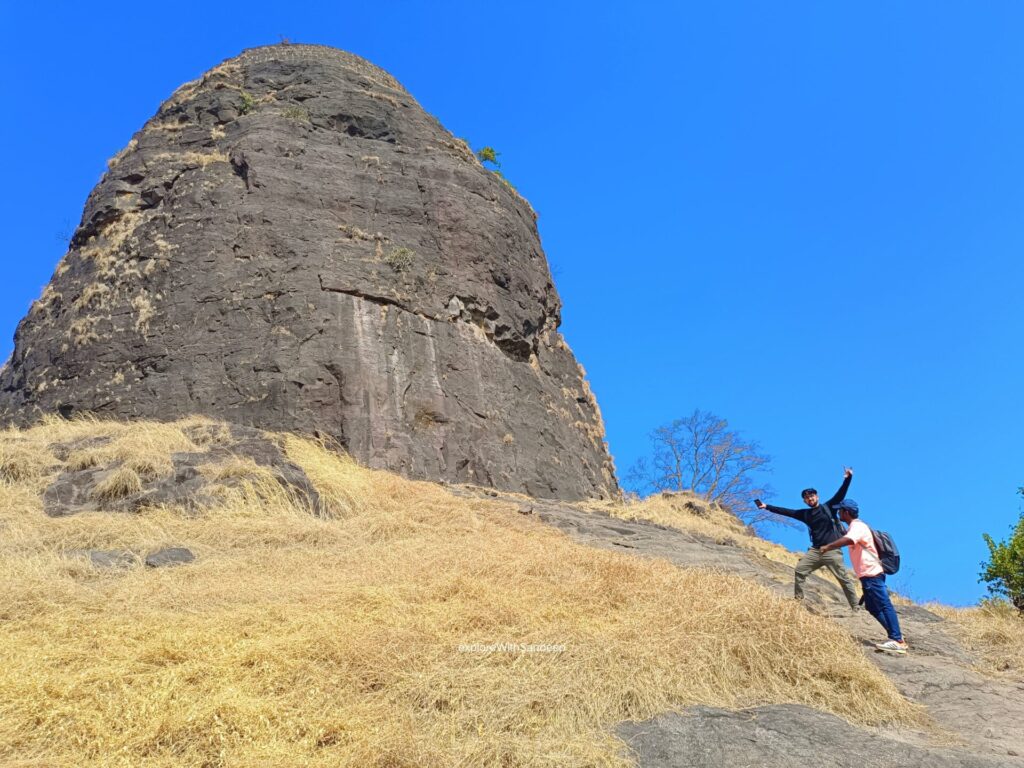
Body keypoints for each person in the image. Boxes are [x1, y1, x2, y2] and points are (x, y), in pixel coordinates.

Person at [755, 469, 860, 611]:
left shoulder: (828, 507)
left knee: (843, 579)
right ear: (804, 501)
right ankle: (798, 602)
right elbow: (786, 511)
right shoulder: (805, 514)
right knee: (799, 570)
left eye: (812, 496)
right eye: (806, 498)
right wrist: (766, 507)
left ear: (817, 496)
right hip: (815, 551)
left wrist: (848, 478)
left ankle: (856, 607)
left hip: (832, 550)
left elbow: (841, 493)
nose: (810, 499)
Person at [821, 499, 908, 654]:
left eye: (840, 511)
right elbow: (844, 533)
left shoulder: (858, 526)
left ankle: (897, 640)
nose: (839, 513)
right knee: (872, 607)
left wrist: (828, 547)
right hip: (868, 575)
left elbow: (848, 539)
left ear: (846, 512)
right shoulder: (855, 527)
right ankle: (896, 635)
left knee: (884, 604)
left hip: (871, 573)